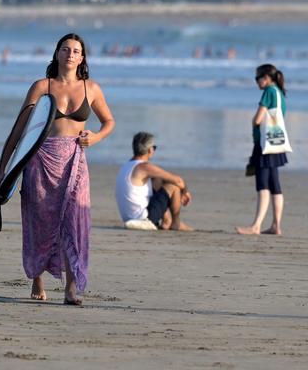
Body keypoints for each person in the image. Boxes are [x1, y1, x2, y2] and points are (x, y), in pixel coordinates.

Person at [12, 33, 115, 305]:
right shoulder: (41, 86)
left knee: (75, 222)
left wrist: (95, 137)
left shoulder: (91, 88)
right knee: (39, 221)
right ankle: (37, 278)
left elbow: (109, 122)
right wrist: (5, 168)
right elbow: (20, 128)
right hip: (41, 159)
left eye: (76, 51)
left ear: (82, 58)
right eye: (65, 49)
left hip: (75, 161)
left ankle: (71, 287)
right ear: (57, 53)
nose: (70, 54)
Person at [237, 64, 288, 235]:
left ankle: (256, 226)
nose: (257, 82)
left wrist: (253, 122)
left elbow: (258, 119)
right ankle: (276, 225)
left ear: (266, 77)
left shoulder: (269, 92)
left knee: (263, 184)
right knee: (275, 185)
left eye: (257, 78)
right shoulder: (280, 93)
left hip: (264, 144)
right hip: (276, 143)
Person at [115, 132, 193, 232]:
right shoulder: (144, 167)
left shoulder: (127, 166)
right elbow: (178, 180)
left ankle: (167, 221)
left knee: (156, 180)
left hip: (128, 217)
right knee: (173, 186)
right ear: (150, 150)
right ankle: (176, 223)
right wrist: (185, 191)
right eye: (154, 147)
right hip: (142, 218)